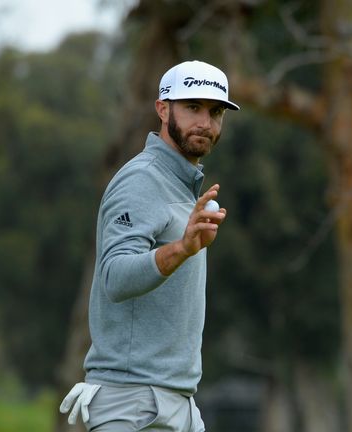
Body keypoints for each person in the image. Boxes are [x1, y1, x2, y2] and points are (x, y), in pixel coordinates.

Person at [59, 60, 240, 431]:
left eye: (215, 111)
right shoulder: (142, 180)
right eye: (193, 108)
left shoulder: (182, 186)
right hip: (134, 404)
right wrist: (182, 249)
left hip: (176, 402)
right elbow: (115, 277)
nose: (205, 122)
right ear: (162, 109)